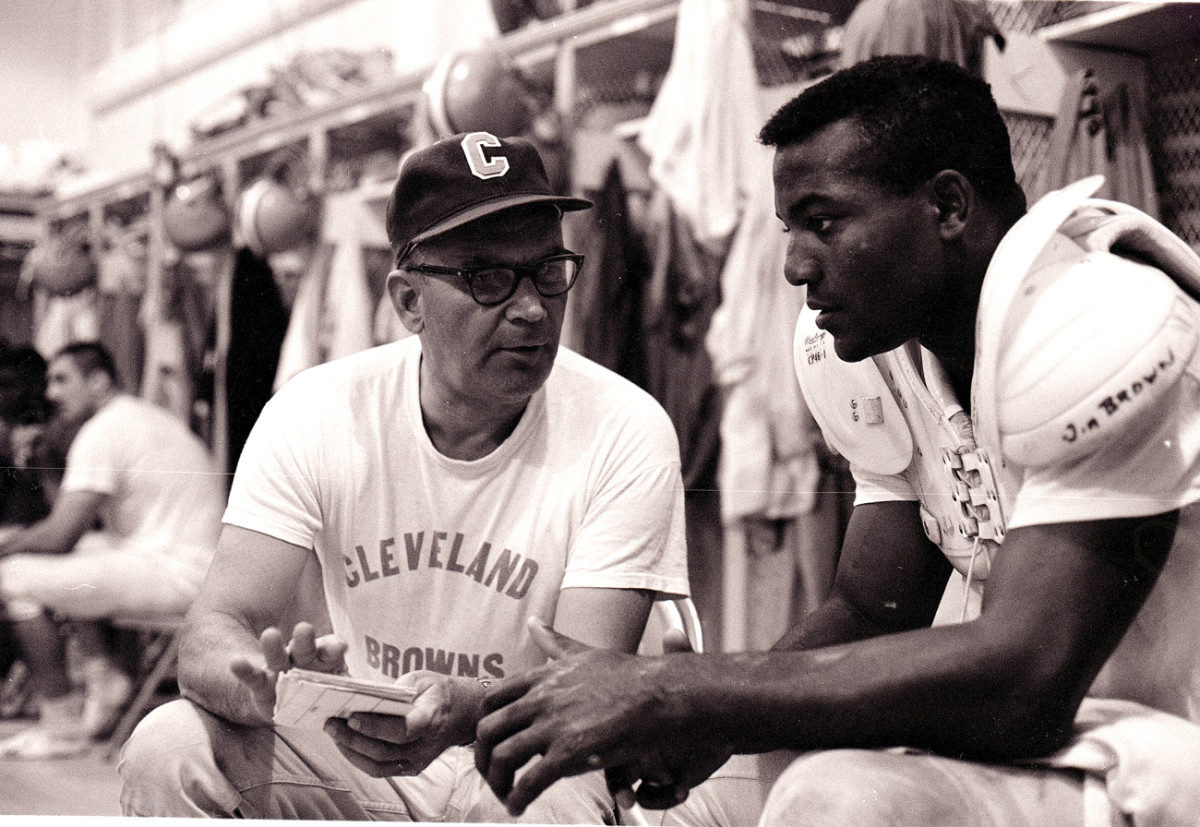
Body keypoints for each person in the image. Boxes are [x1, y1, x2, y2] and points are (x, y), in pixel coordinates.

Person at [472, 56, 1200, 827]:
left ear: (948, 205)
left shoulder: (1096, 313)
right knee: (689, 803)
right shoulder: (874, 351)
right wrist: (702, 722)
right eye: (790, 229)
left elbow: (1025, 680)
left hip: (1157, 754)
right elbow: (872, 606)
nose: (792, 265)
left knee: (835, 799)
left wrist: (677, 692)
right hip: (1037, 754)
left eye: (824, 222)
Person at [117, 131, 690, 822]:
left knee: (549, 800)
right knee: (169, 744)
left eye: (549, 271)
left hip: (524, 751)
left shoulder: (624, 427)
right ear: (408, 301)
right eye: (487, 278)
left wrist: (458, 709)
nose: (533, 307)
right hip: (361, 751)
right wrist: (264, 687)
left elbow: (579, 690)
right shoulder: (317, 410)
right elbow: (213, 627)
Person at [0, 341, 225, 759]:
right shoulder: (139, 418)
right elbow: (66, 534)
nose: (50, 393)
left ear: (99, 381)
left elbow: (57, 536)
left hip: (176, 573)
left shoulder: (103, 431)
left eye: (62, 379)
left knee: (9, 578)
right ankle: (108, 677)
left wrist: (6, 545)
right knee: (77, 552)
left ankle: (62, 726)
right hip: (192, 566)